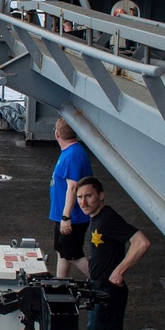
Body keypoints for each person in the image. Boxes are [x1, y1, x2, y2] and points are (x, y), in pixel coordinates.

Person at [76, 176, 150, 330]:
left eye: (88, 196)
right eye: (80, 197)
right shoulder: (96, 218)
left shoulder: (108, 218)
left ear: (101, 196)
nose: (83, 202)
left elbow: (141, 242)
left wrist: (120, 270)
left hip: (108, 293)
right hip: (97, 289)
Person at [50, 119, 91, 280]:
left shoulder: (72, 156)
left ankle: (103, 283)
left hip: (72, 217)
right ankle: (60, 285)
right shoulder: (72, 152)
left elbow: (73, 187)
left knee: (73, 254)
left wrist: (66, 217)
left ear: (57, 134)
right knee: (63, 251)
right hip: (65, 215)